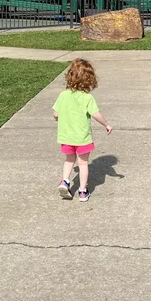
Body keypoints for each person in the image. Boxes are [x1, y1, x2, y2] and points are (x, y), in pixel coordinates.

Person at [53, 59, 112, 202]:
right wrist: (106, 124)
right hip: (82, 138)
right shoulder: (87, 98)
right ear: (89, 80)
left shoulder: (63, 95)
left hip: (66, 136)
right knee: (83, 163)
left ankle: (65, 181)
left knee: (69, 160)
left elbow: (56, 113)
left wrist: (60, 118)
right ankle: (82, 191)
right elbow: (96, 114)